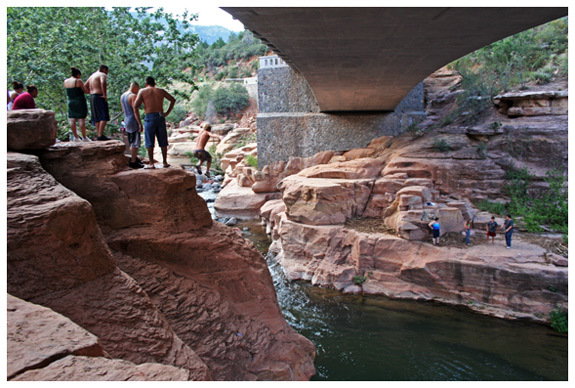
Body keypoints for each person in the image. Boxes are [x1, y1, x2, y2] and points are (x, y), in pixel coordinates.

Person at [133, 76, 176, 169]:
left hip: (149, 117)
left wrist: (139, 122)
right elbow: (173, 99)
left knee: (149, 140)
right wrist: (167, 113)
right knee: (163, 139)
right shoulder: (160, 91)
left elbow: (135, 106)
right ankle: (165, 162)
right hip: (160, 116)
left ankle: (152, 163)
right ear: (154, 83)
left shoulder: (142, 91)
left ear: (146, 84)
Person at [120, 82, 143, 169]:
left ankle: (133, 158)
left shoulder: (122, 96)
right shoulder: (133, 96)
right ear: (135, 87)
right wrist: (140, 123)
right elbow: (135, 110)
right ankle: (133, 161)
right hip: (133, 120)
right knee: (135, 142)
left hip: (126, 119)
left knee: (131, 140)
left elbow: (123, 110)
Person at [64, 67, 90, 142]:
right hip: (79, 101)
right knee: (81, 119)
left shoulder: (66, 81)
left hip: (70, 101)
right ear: (78, 75)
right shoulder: (78, 81)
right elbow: (86, 91)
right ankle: (84, 137)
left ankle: (76, 137)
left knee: (72, 118)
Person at [85, 64, 110, 141]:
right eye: (107, 71)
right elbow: (102, 82)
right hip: (99, 96)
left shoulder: (92, 75)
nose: (107, 73)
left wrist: (90, 92)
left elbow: (85, 85)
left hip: (93, 97)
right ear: (104, 70)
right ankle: (100, 134)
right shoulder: (102, 74)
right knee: (104, 116)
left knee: (97, 117)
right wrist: (104, 94)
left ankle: (99, 134)